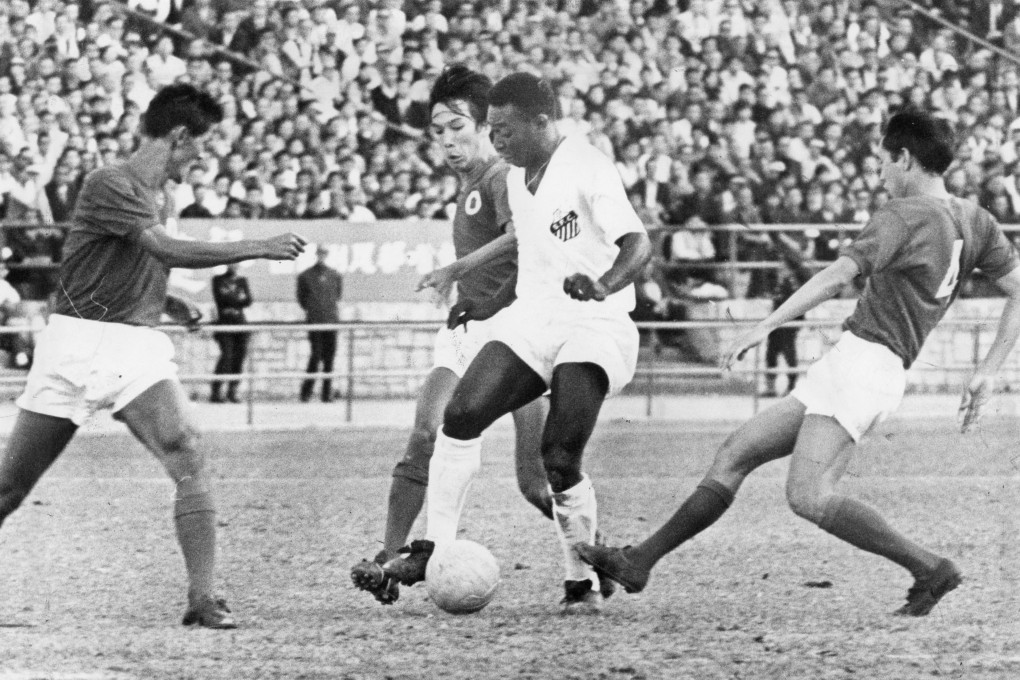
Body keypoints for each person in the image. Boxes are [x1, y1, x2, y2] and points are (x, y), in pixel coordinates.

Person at [576, 109, 1020, 617]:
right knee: (736, 453)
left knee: (809, 496)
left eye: (882, 163)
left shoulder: (905, 215)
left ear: (905, 158)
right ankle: (639, 562)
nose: (879, 174)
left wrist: (765, 325)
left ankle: (930, 568)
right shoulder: (974, 218)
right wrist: (987, 371)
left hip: (866, 366)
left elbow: (836, 277)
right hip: (858, 363)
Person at [0, 83, 308, 630]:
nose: (202, 160)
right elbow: (162, 249)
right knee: (10, 486)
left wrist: (169, 302)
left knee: (187, 449)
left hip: (131, 345)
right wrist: (256, 245)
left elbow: (135, 263)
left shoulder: (161, 197)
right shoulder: (109, 181)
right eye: (201, 148)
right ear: (179, 135)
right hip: (74, 343)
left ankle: (203, 597)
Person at [377, 72, 652, 613]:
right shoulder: (521, 179)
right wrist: (485, 305)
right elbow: (529, 257)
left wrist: (604, 285)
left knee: (557, 456)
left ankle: (581, 582)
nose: (495, 139)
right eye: (492, 130)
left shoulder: (587, 166)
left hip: (594, 325)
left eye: (503, 129)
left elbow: (638, 243)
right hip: (532, 320)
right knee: (461, 415)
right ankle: (434, 548)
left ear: (541, 122)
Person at [349, 64, 554, 606]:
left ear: (486, 126)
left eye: (457, 126)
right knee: (424, 434)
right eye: (437, 130)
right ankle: (390, 560)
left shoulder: (500, 179)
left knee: (534, 482)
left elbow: (520, 241)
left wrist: (460, 276)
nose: (446, 140)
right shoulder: (467, 185)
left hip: (515, 331)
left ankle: (589, 550)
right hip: (467, 330)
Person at [297, 244, 344, 403]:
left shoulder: (334, 275)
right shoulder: (306, 276)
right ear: (316, 255)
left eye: (324, 254)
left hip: (330, 320)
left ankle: (326, 393)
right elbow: (302, 299)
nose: (321, 256)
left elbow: (337, 295)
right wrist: (313, 310)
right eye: (320, 254)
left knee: (329, 358)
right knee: (316, 356)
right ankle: (306, 392)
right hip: (315, 320)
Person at [210, 263, 252, 403]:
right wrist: (237, 297)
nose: (234, 266)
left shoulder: (242, 281)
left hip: (240, 322)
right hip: (225, 322)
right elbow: (220, 299)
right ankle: (216, 390)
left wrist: (231, 297)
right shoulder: (218, 279)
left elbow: (248, 300)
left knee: (239, 356)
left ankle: (233, 390)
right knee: (226, 356)